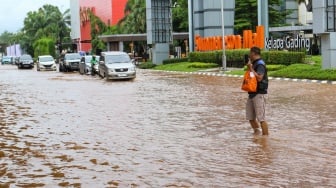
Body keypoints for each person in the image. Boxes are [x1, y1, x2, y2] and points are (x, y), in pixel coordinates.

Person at [246, 46, 269, 135]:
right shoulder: (254, 63)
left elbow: (259, 78)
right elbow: (251, 76)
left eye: (250, 53)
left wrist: (251, 68)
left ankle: (265, 140)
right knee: (250, 117)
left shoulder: (260, 64)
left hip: (259, 94)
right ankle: (257, 135)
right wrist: (249, 67)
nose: (249, 54)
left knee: (261, 119)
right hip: (251, 93)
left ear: (254, 53)